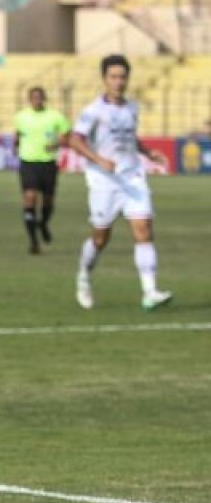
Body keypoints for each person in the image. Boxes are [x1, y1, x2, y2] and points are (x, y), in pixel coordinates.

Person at [68, 54, 172, 311]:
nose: (118, 81)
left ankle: (150, 292)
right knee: (101, 237)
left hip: (132, 177)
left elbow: (130, 138)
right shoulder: (93, 111)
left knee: (144, 229)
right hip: (104, 181)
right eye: (113, 76)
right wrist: (98, 159)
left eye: (122, 76)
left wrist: (148, 153)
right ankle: (84, 277)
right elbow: (74, 140)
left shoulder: (132, 108)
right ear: (104, 79)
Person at [12, 86, 71, 254]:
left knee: (48, 201)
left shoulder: (55, 116)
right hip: (28, 162)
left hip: (48, 162)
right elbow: (17, 134)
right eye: (33, 97)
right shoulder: (21, 116)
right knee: (30, 198)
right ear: (30, 99)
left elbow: (66, 133)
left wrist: (57, 143)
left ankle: (43, 224)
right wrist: (15, 145)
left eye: (39, 97)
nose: (36, 100)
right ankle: (33, 242)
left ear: (44, 98)